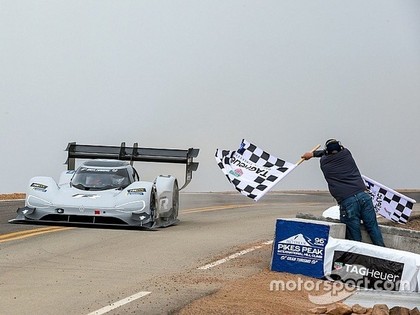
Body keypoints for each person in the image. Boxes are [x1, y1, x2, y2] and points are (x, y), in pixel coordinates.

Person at [301, 139, 385, 247]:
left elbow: (324, 154)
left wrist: (312, 154)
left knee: (354, 237)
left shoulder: (324, 163)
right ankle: (382, 252)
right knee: (373, 228)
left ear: (327, 152)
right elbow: (329, 152)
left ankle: (356, 258)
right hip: (363, 196)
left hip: (347, 201)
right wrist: (314, 154)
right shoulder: (347, 154)